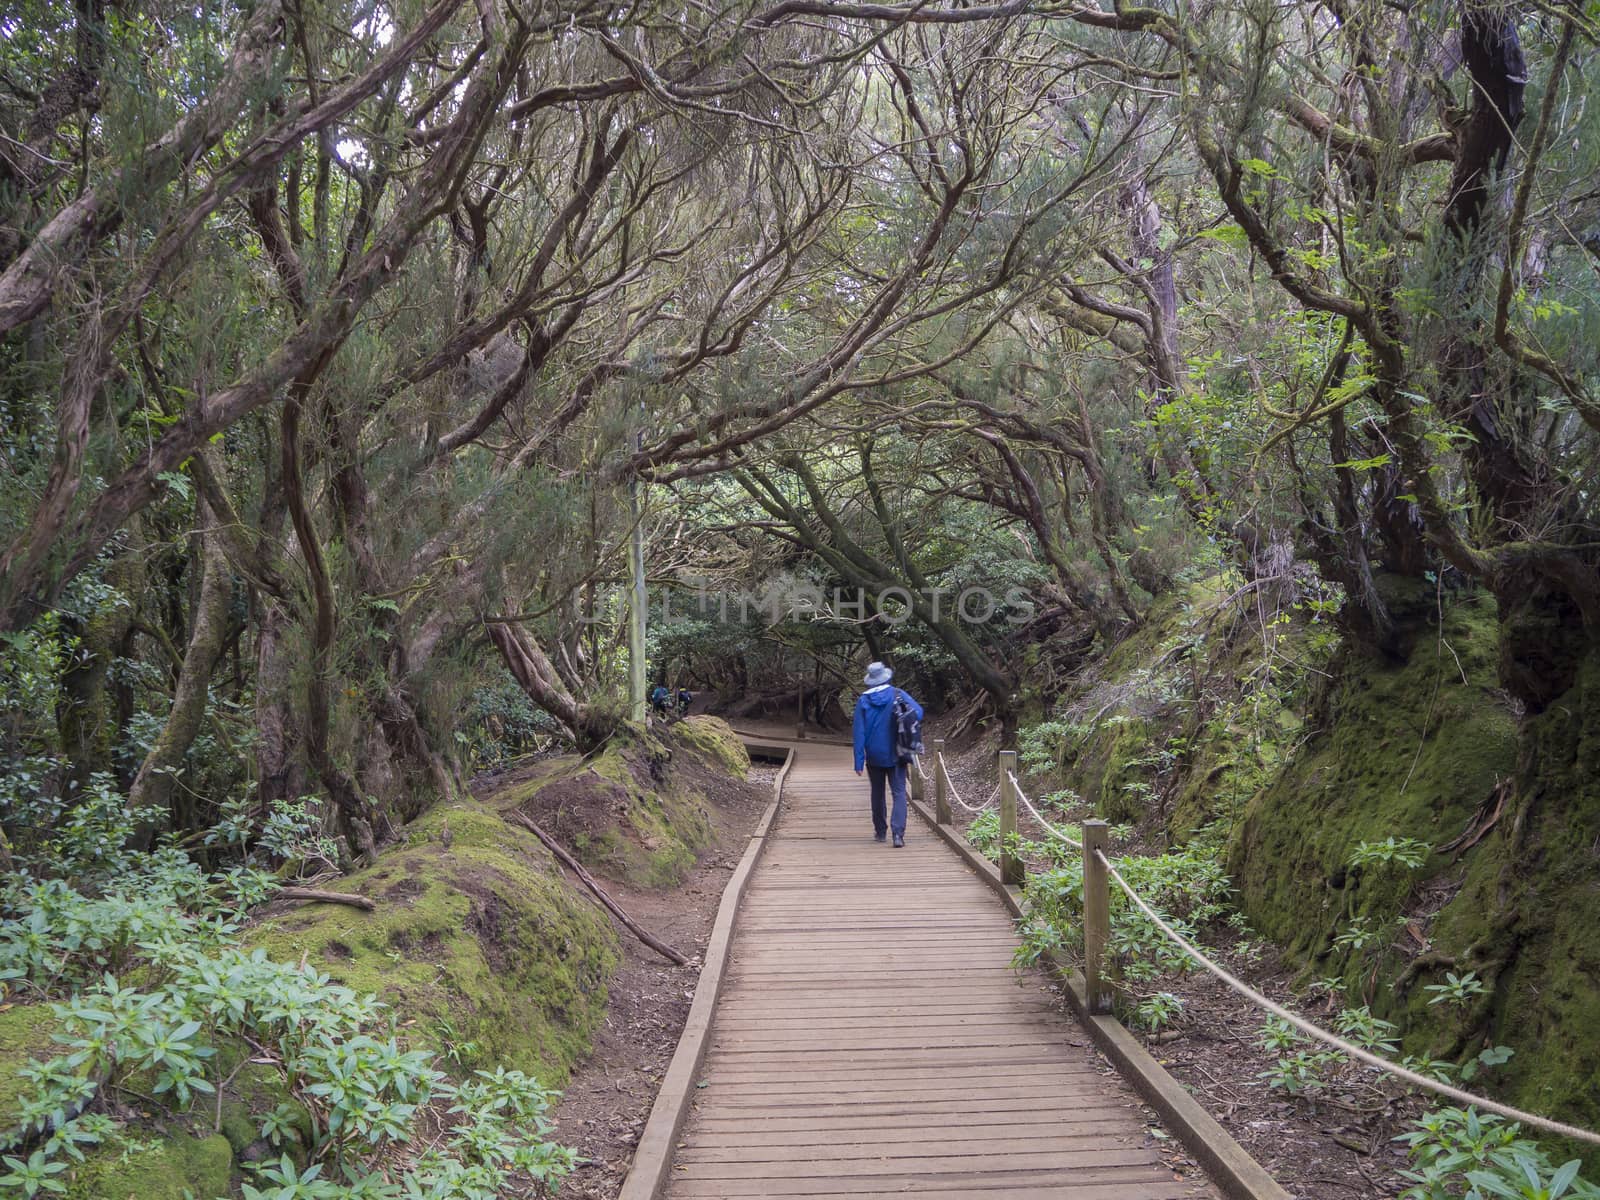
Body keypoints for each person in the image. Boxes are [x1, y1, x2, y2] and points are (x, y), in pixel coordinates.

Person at [852, 661, 923, 848]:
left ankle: (880, 831)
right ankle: (898, 835)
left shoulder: (863, 701)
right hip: (896, 751)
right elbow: (919, 713)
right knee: (899, 792)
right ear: (886, 676)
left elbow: (858, 732)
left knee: (877, 792)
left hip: (874, 754)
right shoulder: (898, 695)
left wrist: (859, 761)